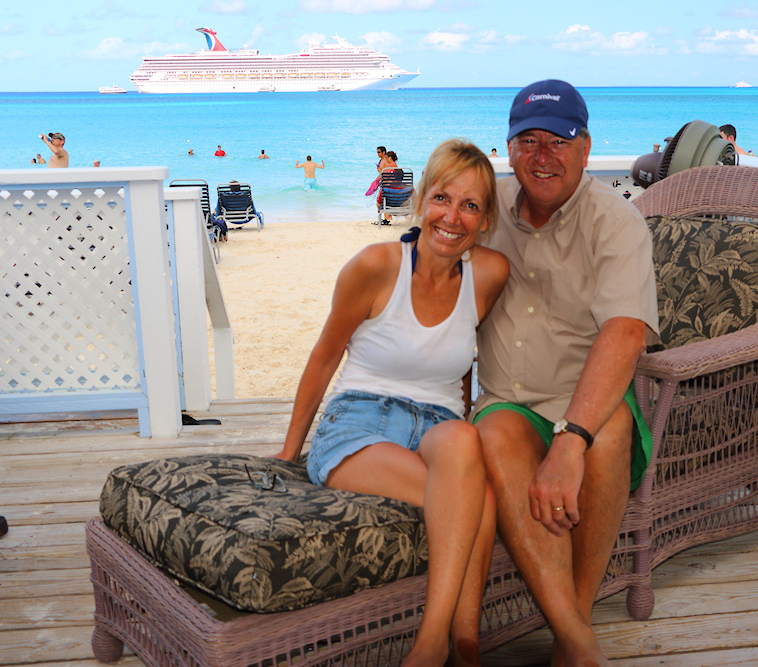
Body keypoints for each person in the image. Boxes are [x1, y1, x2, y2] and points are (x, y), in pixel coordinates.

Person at [273, 139, 510, 667]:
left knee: (464, 439)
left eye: (470, 205)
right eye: (443, 198)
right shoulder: (376, 265)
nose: (453, 217)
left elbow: (467, 360)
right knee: (481, 502)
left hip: (440, 428)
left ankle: (453, 647)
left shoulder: (490, 274)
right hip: (360, 422)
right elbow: (323, 357)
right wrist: (289, 454)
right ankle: (449, 646)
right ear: (421, 199)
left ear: (486, 219)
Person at [472, 79, 659, 667]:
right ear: (507, 149)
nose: (542, 155)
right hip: (508, 398)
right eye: (528, 140)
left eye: (560, 140)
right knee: (495, 433)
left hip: (586, 396)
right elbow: (429, 238)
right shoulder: (485, 206)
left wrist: (571, 439)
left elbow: (625, 332)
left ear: (585, 148)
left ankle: (568, 632)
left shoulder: (616, 220)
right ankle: (579, 638)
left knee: (608, 437)